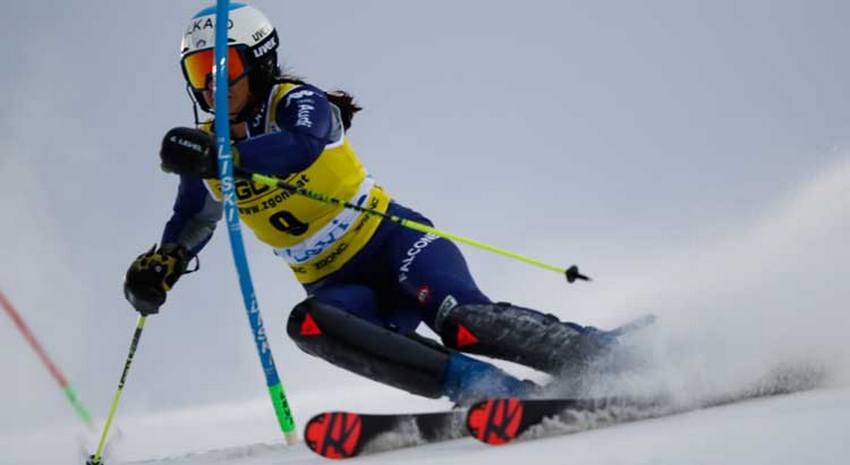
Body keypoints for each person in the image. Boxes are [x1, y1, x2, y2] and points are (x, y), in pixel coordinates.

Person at [123, 3, 616, 405]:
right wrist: (160, 266)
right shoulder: (206, 149)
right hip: (338, 283)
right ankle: (487, 390)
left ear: (260, 62)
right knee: (309, 324)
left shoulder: (295, 99)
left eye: (225, 67)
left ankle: (602, 356)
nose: (212, 83)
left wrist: (223, 156)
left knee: (465, 323)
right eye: (200, 69)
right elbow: (192, 220)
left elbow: (301, 145)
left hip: (396, 244)